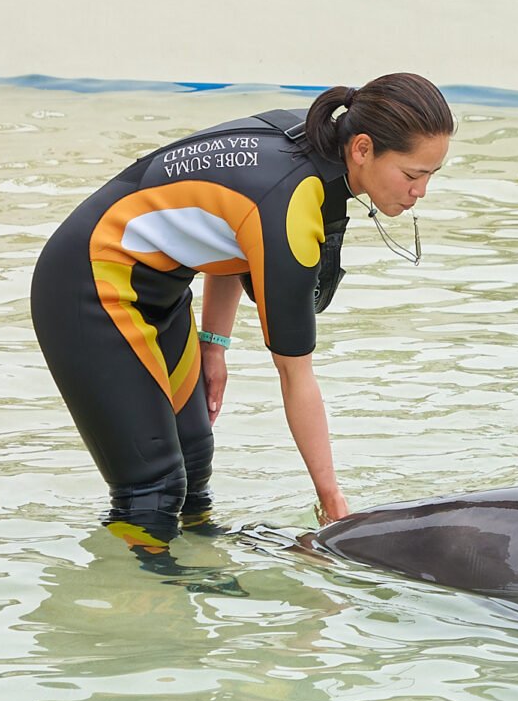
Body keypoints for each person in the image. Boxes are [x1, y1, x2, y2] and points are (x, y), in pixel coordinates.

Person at [32, 74, 453, 543]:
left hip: (159, 292)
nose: (421, 192)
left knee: (192, 465)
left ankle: (197, 574)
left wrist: (214, 345)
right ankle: (143, 602)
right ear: (362, 149)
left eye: (431, 175)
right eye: (412, 175)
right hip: (87, 287)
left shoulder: (321, 136)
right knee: (151, 489)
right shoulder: (293, 201)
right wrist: (333, 504)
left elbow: (229, 229)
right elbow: (295, 376)